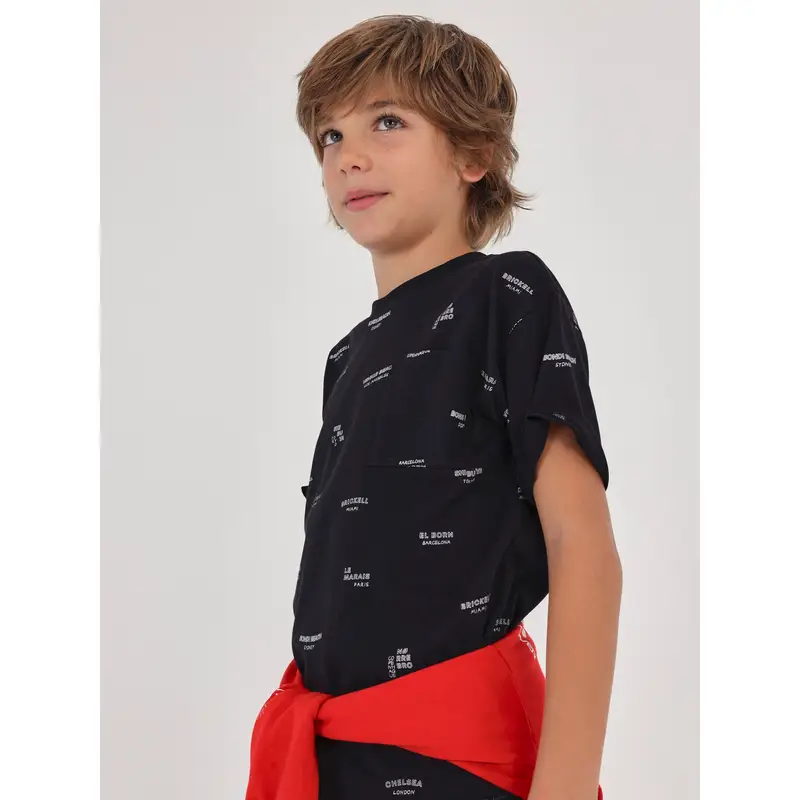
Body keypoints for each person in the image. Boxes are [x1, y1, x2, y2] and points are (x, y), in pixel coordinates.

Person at [249, 14, 622, 800]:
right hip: (332, 763)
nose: (348, 155)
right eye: (330, 135)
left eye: (387, 122)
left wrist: (564, 788)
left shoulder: (507, 296)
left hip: (453, 764)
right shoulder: (348, 356)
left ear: (473, 154)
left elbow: (580, 542)